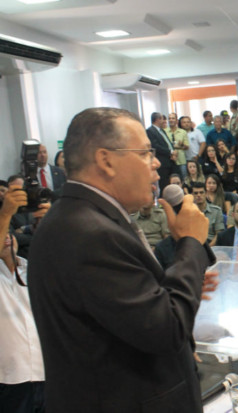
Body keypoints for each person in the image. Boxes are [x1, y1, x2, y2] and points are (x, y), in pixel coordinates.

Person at [27, 107, 217, 412]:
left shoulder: (85, 218)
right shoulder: (88, 232)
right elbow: (165, 328)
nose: (156, 162)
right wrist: (191, 243)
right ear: (106, 160)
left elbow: (125, 312)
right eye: (145, 153)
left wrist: (180, 282)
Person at [0, 185, 48, 413]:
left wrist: (49, 221)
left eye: (9, 233)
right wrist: (6, 213)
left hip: (46, 373)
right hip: (9, 379)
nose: (7, 238)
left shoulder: (33, 269)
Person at [146, 111, 177, 189]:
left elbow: (167, 143)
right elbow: (155, 146)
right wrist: (170, 152)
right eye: (163, 119)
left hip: (170, 160)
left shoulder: (161, 130)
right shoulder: (150, 131)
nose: (164, 121)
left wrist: (173, 151)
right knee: (164, 183)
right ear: (158, 119)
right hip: (162, 162)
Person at [166, 113, 189, 178]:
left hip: (181, 160)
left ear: (177, 121)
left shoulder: (183, 132)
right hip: (169, 160)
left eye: (173, 118)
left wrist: (181, 145)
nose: (171, 120)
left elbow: (187, 146)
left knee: (184, 179)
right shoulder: (164, 131)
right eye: (169, 118)